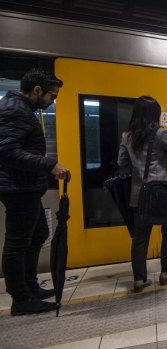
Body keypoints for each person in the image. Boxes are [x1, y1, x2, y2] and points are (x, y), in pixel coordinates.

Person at [0, 68, 70, 315]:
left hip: (25, 186)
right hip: (17, 188)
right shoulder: (15, 110)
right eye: (52, 96)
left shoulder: (20, 109)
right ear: (37, 90)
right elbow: (6, 152)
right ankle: (20, 300)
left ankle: (30, 287)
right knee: (17, 243)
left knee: (39, 233)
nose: (52, 102)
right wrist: (49, 164)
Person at [118, 96, 167, 293]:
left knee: (140, 238)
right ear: (154, 115)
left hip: (139, 193)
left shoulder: (127, 136)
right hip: (161, 193)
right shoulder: (159, 134)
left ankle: (139, 280)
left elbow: (122, 164)